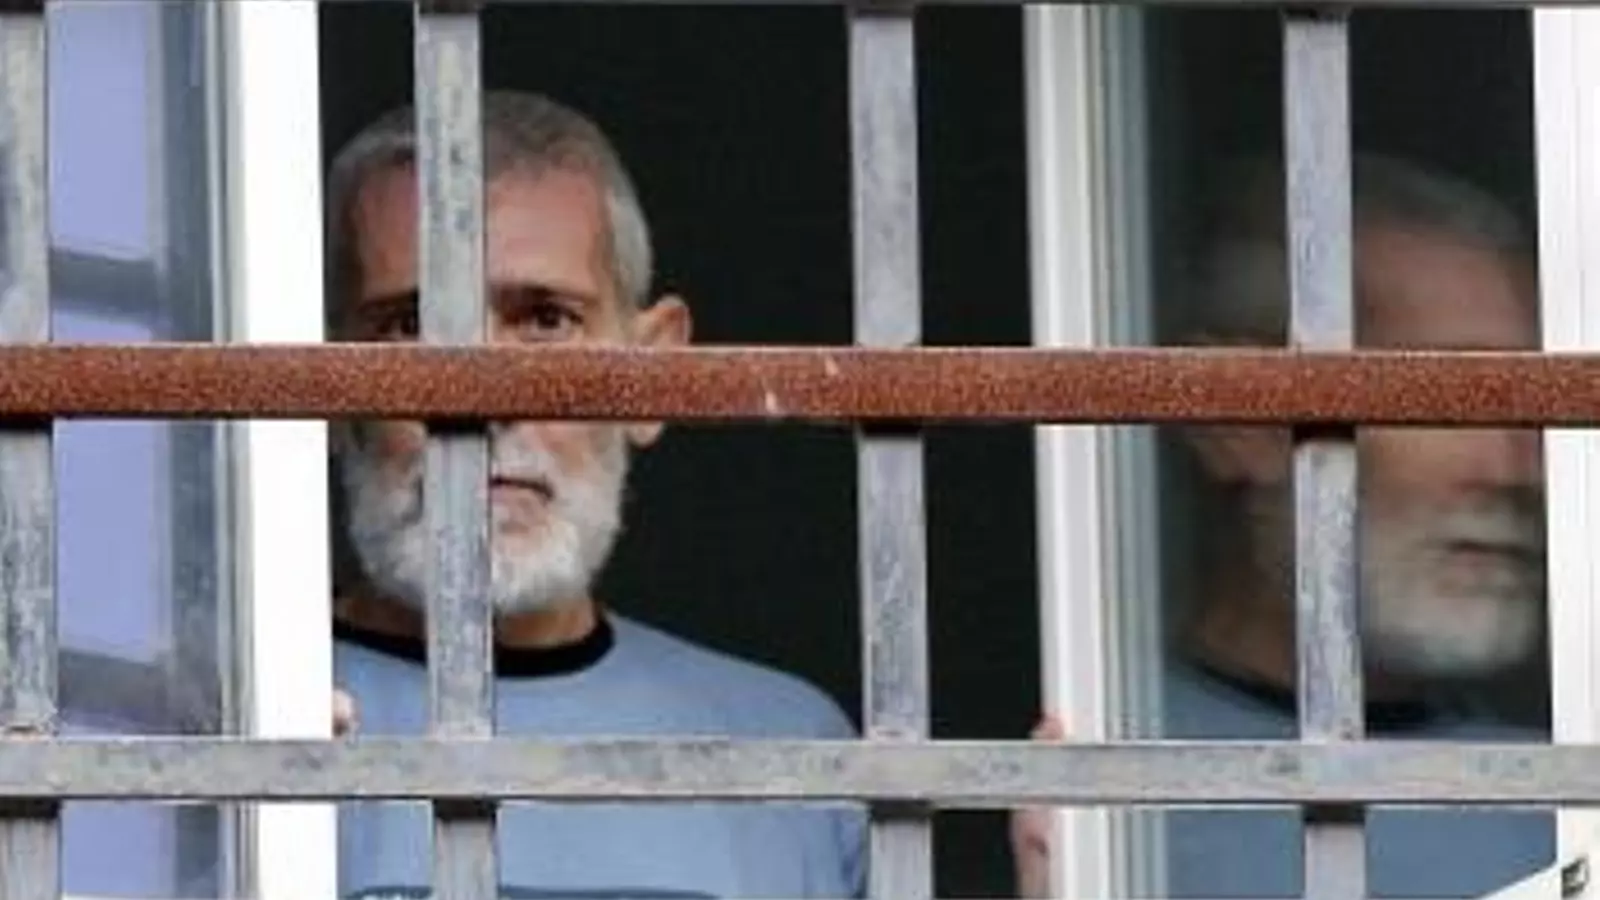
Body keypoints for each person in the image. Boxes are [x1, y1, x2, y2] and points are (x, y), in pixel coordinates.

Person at [323, 89, 866, 900]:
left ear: (654, 371)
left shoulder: (791, 751)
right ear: (327, 381)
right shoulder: (224, 730)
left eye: (547, 320)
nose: (480, 397)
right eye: (410, 326)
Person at [1011, 154, 1553, 898]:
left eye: (1539, 405)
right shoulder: (1101, 797)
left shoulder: (1556, 800)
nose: (1521, 470)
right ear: (1238, 418)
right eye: (1464, 396)